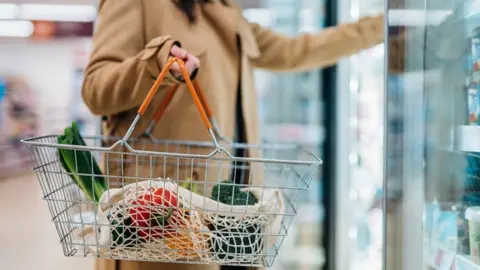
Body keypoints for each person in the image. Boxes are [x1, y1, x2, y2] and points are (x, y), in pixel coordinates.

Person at [81, 0, 384, 270]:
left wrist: (379, 26)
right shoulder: (136, 4)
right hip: (164, 223)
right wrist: (155, 64)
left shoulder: (225, 10)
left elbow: (295, 51)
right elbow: (95, 90)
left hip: (235, 220)